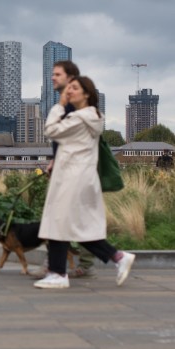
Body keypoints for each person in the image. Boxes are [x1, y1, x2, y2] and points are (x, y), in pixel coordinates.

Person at [34, 76, 135, 289]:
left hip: (73, 177)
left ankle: (59, 274)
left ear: (86, 94)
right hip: (79, 176)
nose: (69, 91)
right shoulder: (91, 117)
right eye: (68, 88)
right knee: (72, 225)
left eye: (74, 88)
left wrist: (59, 106)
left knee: (60, 222)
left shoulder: (80, 118)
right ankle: (116, 257)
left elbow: (51, 130)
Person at [40, 60, 97, 279]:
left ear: (70, 77)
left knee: (68, 217)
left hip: (75, 171)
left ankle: (58, 266)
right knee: (67, 217)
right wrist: (55, 159)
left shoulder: (74, 104)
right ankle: (57, 264)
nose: (52, 77)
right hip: (68, 167)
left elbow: (60, 133)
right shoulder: (68, 101)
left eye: (57, 74)